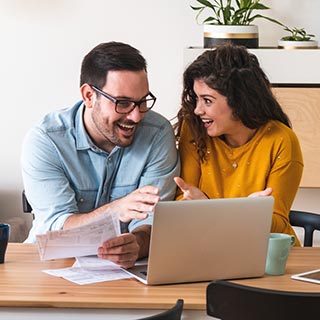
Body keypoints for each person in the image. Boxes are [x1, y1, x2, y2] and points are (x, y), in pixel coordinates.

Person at [21, 41, 180, 267]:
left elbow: (156, 221)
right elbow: (56, 226)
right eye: (123, 103)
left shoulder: (158, 134)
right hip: (52, 264)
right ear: (88, 96)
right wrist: (115, 210)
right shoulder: (47, 140)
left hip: (126, 272)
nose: (136, 116)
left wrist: (138, 243)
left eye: (142, 101)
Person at [174, 42, 303, 244]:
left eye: (207, 100)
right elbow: (181, 200)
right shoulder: (194, 130)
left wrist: (210, 209)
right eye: (197, 99)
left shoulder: (281, 140)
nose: (198, 110)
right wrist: (246, 214)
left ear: (239, 100)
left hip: (267, 253)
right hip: (206, 248)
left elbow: (276, 221)